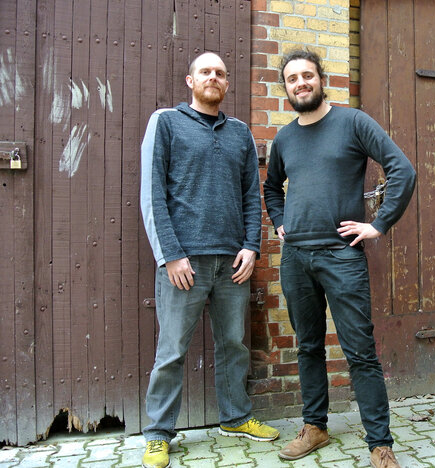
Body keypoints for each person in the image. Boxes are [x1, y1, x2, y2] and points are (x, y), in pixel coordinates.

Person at [263, 49, 416, 468]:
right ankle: (315, 426)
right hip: (296, 257)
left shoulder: (352, 122)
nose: (301, 83)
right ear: (286, 87)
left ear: (320, 78)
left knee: (359, 350)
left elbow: (402, 169)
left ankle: (379, 445)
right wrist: (279, 220)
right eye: (292, 78)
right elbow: (272, 187)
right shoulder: (285, 137)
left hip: (341, 255)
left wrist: (378, 224)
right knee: (308, 346)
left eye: (307, 75)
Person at [139, 52, 279, 468]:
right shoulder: (166, 123)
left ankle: (235, 418)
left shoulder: (239, 133)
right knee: (172, 351)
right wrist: (171, 255)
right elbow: (153, 194)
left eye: (220, 73)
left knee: (234, 344)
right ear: (190, 80)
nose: (213, 77)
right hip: (185, 264)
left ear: (227, 83)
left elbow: (252, 198)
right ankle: (159, 433)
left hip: (232, 263)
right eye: (206, 72)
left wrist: (251, 247)